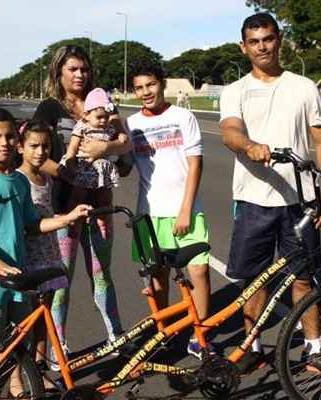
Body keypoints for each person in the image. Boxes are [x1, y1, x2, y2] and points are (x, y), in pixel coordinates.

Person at [219, 13, 321, 373]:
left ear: (279, 40)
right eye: (254, 42)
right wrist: (250, 145)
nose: (262, 47)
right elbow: (229, 131)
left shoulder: (303, 87)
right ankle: (252, 347)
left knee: (305, 277)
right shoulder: (234, 91)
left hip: (299, 201)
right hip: (253, 200)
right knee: (254, 280)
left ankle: (314, 346)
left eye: (268, 39)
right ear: (244, 47)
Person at [0, 108, 91, 396]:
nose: (4, 143)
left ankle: (10, 389)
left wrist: (64, 218)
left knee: (17, 344)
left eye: (10, 136)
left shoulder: (19, 181)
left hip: (18, 279)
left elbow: (32, 224)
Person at [33, 45, 131, 370]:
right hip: (63, 211)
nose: (79, 74)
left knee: (103, 277)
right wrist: (63, 171)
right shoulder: (50, 109)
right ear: (59, 72)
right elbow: (32, 152)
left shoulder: (102, 101)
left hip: (100, 208)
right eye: (72, 69)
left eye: (84, 69)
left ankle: (116, 338)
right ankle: (57, 349)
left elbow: (126, 141)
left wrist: (109, 145)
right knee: (61, 283)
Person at [126, 63, 214, 359]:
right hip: (147, 213)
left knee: (199, 270)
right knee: (157, 278)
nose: (145, 92)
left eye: (150, 85)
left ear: (161, 84)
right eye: (139, 87)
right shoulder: (131, 123)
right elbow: (125, 167)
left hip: (185, 208)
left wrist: (186, 209)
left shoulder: (183, 116)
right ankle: (164, 331)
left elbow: (195, 163)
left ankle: (200, 334)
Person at [15, 119, 70, 389]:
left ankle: (39, 370)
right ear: (20, 147)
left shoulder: (46, 178)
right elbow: (26, 225)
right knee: (26, 320)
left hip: (49, 253)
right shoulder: (18, 180)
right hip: (29, 258)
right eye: (33, 146)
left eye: (45, 146)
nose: (40, 152)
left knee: (43, 315)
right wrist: (64, 220)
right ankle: (18, 374)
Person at [60, 87, 126, 239]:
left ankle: (104, 222)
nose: (103, 121)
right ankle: (71, 221)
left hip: (101, 168)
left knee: (105, 197)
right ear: (86, 115)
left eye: (106, 117)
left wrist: (120, 137)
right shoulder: (82, 127)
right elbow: (73, 146)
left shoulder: (109, 127)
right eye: (99, 117)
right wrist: (70, 163)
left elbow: (122, 140)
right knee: (77, 195)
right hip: (84, 166)